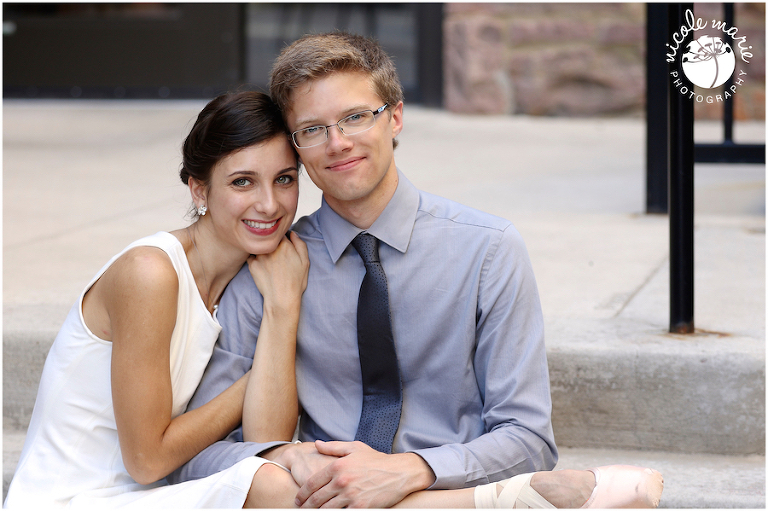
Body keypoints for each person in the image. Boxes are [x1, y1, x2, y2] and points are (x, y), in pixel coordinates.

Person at [169, 32, 663, 509]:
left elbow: (528, 439)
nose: (337, 143)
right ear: (296, 145)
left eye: (356, 117)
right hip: (324, 492)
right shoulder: (272, 263)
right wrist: (288, 457)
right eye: (313, 129)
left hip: (427, 473)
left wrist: (408, 471)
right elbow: (201, 455)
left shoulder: (487, 250)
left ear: (396, 117)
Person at [4, 91, 311, 508]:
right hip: (75, 499)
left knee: (279, 476)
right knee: (277, 489)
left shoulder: (256, 276)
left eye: (284, 179)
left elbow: (264, 441)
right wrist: (258, 380)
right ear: (199, 191)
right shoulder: (149, 273)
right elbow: (147, 460)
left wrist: (283, 306)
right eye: (243, 181)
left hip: (156, 493)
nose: (270, 204)